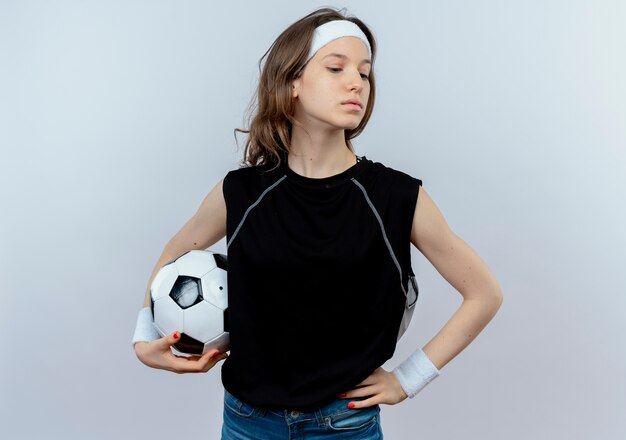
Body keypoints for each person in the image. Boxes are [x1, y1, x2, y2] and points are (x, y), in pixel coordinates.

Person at [132, 7, 503, 439]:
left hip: (344, 425)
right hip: (247, 424)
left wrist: (407, 379)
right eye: (336, 67)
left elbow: (483, 293)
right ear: (292, 83)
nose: (356, 83)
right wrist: (144, 340)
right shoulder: (243, 191)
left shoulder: (396, 196)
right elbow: (174, 253)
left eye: (364, 74)